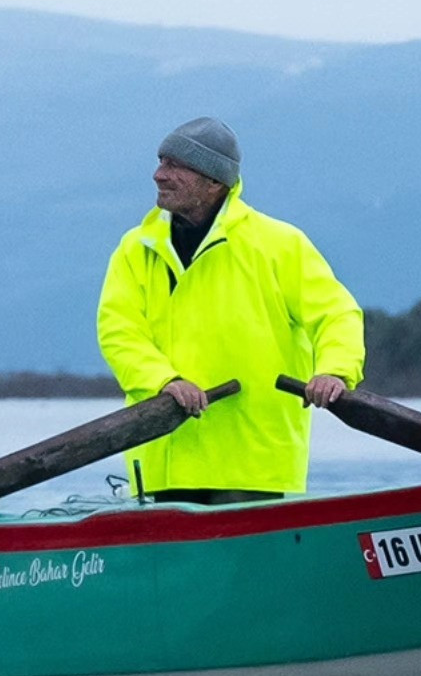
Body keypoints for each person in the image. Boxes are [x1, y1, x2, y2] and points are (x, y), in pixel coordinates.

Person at [97, 117, 364, 502]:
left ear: (214, 181)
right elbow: (118, 330)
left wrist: (335, 370)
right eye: (160, 162)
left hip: (253, 463)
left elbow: (337, 315)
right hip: (162, 460)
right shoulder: (135, 248)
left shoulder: (280, 245)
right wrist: (163, 381)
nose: (159, 175)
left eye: (175, 165)